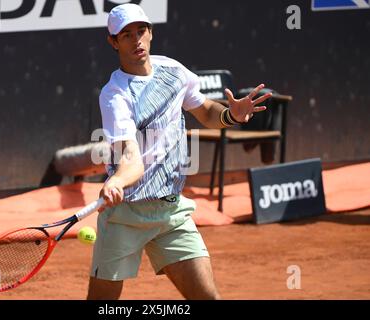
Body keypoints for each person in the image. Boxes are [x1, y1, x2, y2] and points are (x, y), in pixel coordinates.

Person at [87, 3, 272, 300]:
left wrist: (231, 115)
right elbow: (130, 158)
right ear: (113, 42)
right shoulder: (115, 95)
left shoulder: (173, 71)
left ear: (151, 33)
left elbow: (207, 112)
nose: (136, 40)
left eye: (141, 31)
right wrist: (118, 181)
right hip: (126, 216)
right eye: (126, 35)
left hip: (172, 213)